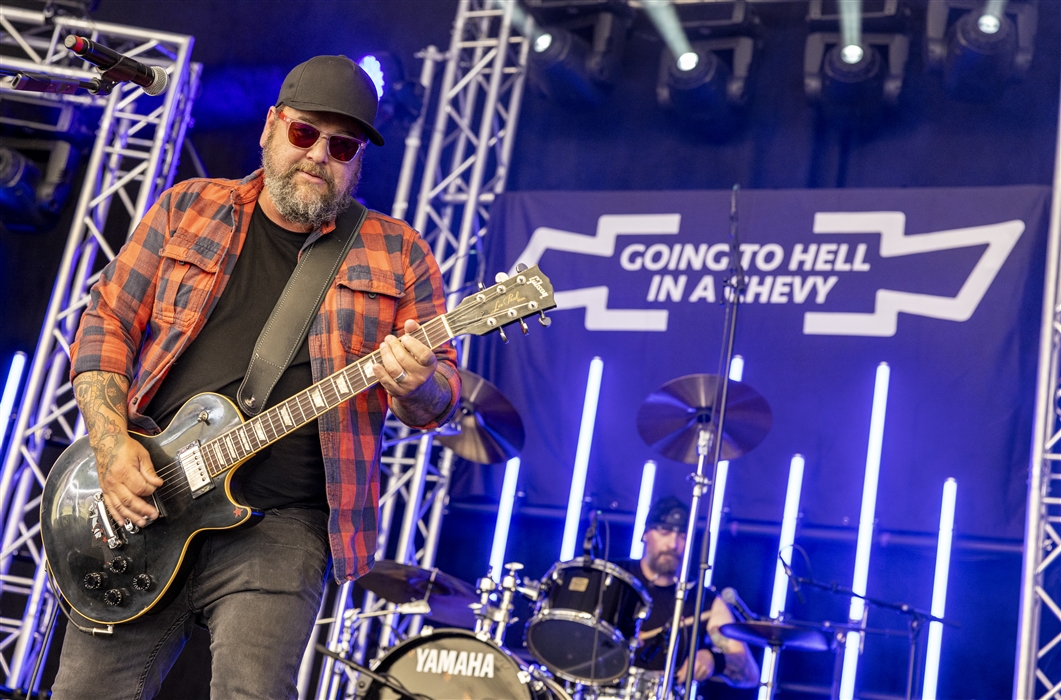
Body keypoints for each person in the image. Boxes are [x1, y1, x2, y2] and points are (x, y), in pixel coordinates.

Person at [50, 55, 461, 700]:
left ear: (358, 161)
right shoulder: (189, 206)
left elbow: (439, 404)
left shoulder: (400, 252)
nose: (320, 155)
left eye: (342, 145)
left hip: (283, 525)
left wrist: (417, 383)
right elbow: (106, 322)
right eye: (304, 134)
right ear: (270, 128)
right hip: (147, 502)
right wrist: (110, 445)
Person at [617, 496, 760, 692]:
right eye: (664, 532)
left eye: (683, 536)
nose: (673, 544)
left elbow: (749, 675)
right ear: (645, 534)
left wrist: (713, 659)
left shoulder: (705, 601)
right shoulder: (614, 576)